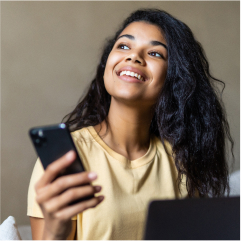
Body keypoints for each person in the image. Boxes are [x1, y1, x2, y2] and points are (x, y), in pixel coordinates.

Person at [27, 8, 233, 240]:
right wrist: (55, 231)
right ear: (107, 65)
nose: (134, 56)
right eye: (124, 46)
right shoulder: (66, 157)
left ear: (175, 78)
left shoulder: (181, 160)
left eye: (155, 53)